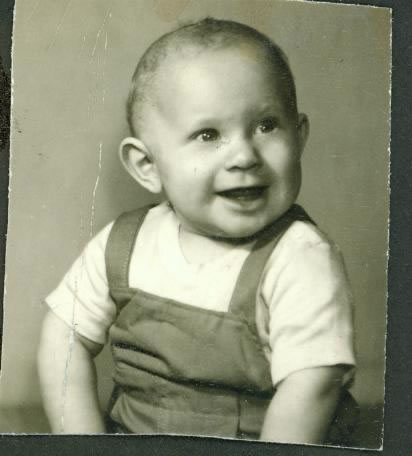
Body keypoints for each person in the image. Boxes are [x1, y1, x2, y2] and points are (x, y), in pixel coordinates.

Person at [37, 18, 357, 444]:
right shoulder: (123, 245)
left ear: (298, 138)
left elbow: (313, 385)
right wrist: (84, 443)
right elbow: (63, 336)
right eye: (209, 135)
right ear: (147, 166)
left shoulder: (300, 257)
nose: (244, 155)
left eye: (266, 125)